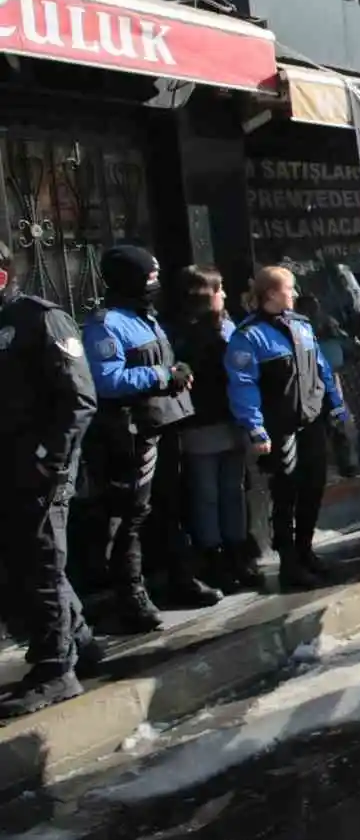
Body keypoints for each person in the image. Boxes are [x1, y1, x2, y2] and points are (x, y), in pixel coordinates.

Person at [0, 240, 103, 717]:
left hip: (41, 468)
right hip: (10, 469)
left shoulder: (40, 319)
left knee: (42, 564)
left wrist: (49, 458)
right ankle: (79, 642)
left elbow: (78, 399)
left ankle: (55, 669)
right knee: (29, 562)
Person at [81, 246, 197, 632]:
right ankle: (131, 598)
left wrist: (177, 370)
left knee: (171, 506)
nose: (156, 285)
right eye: (150, 279)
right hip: (132, 433)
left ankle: (181, 579)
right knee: (131, 516)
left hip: (164, 424)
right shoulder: (106, 324)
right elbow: (107, 381)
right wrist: (163, 377)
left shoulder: (144, 317)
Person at [226, 267, 350, 591]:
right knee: (286, 494)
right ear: (270, 294)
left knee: (313, 487)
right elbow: (242, 384)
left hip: (311, 421)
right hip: (280, 427)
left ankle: (306, 550)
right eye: (288, 289)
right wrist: (255, 427)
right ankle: (289, 563)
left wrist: (336, 405)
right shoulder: (249, 336)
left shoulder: (301, 325)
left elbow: (321, 367)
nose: (294, 294)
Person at [168, 266, 258, 594]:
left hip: (230, 418)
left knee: (233, 491)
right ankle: (214, 557)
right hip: (201, 422)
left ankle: (238, 553)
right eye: (219, 290)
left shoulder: (229, 325)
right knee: (207, 495)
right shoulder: (183, 332)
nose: (225, 296)